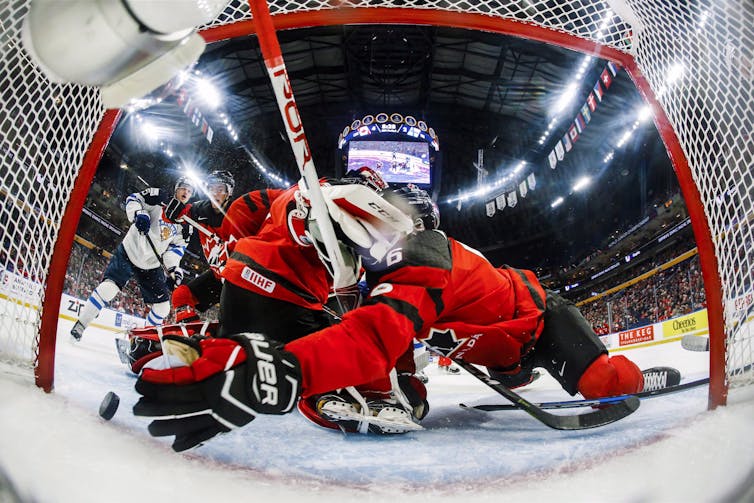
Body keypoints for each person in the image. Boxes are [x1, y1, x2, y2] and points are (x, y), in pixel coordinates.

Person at [131, 184, 680, 450]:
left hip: (538, 325)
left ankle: (638, 375)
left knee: (606, 383)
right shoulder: (394, 267)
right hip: (492, 356)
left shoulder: (426, 258)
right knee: (427, 392)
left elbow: (373, 338)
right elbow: (390, 344)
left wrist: (285, 372)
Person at [70, 177, 194, 341]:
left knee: (163, 308)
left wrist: (173, 269)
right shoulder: (158, 197)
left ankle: (142, 340)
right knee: (109, 289)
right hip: (129, 251)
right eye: (183, 188)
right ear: (176, 189)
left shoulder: (187, 223)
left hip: (151, 264)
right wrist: (139, 213)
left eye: (190, 191)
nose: (186, 192)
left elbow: (175, 250)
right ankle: (81, 325)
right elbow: (133, 199)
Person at [164, 170, 283, 324]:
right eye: (212, 188)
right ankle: (190, 330)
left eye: (220, 189)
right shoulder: (199, 210)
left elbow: (279, 201)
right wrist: (172, 210)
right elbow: (175, 214)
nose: (215, 193)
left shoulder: (241, 211)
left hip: (242, 277)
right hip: (217, 275)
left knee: (233, 319)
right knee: (181, 295)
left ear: (228, 193)